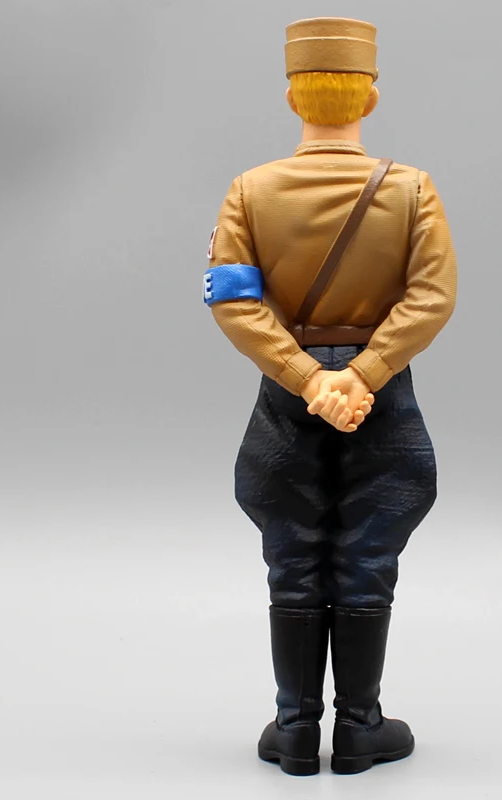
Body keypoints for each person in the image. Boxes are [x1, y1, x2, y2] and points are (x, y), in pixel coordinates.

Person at [204, 16, 457, 775]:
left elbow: (234, 300)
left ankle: (293, 730)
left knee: (291, 550)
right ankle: (358, 726)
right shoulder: (412, 189)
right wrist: (362, 375)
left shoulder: (250, 191)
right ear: (369, 98)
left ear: (292, 98)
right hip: (379, 394)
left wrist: (310, 378)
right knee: (368, 549)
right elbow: (431, 297)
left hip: (289, 394)